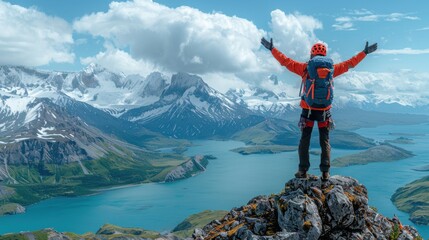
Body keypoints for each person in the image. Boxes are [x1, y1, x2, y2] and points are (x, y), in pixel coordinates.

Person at [260, 37, 377, 180]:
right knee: (325, 141)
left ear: (312, 54)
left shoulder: (305, 68)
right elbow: (350, 64)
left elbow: (286, 61)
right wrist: (364, 53)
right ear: (324, 54)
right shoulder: (331, 69)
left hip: (308, 111)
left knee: (305, 140)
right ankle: (325, 173)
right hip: (324, 112)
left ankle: (302, 171)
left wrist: (272, 49)